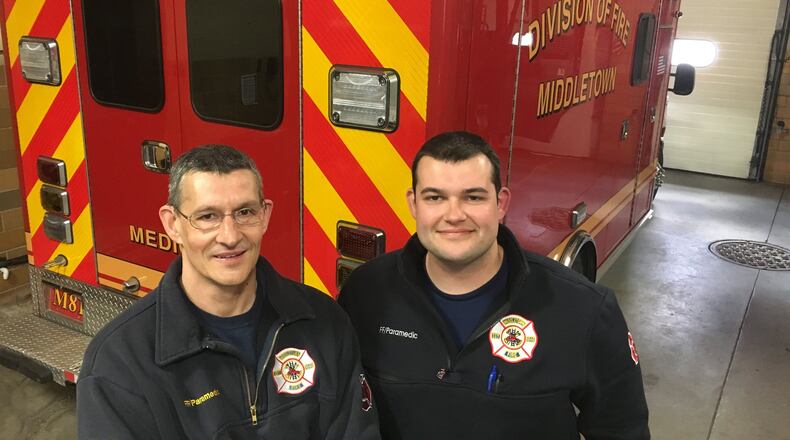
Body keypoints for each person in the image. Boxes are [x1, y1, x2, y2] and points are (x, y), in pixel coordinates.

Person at [338, 131, 649, 439]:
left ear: (501, 204)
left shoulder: (583, 308)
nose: (454, 215)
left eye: (473, 197)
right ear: (414, 204)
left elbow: (622, 429)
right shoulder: (366, 293)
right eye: (435, 198)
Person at [77, 145, 380, 439]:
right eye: (207, 217)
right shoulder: (121, 362)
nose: (230, 236)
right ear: (172, 225)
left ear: (265, 215)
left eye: (245, 212)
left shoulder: (324, 321)